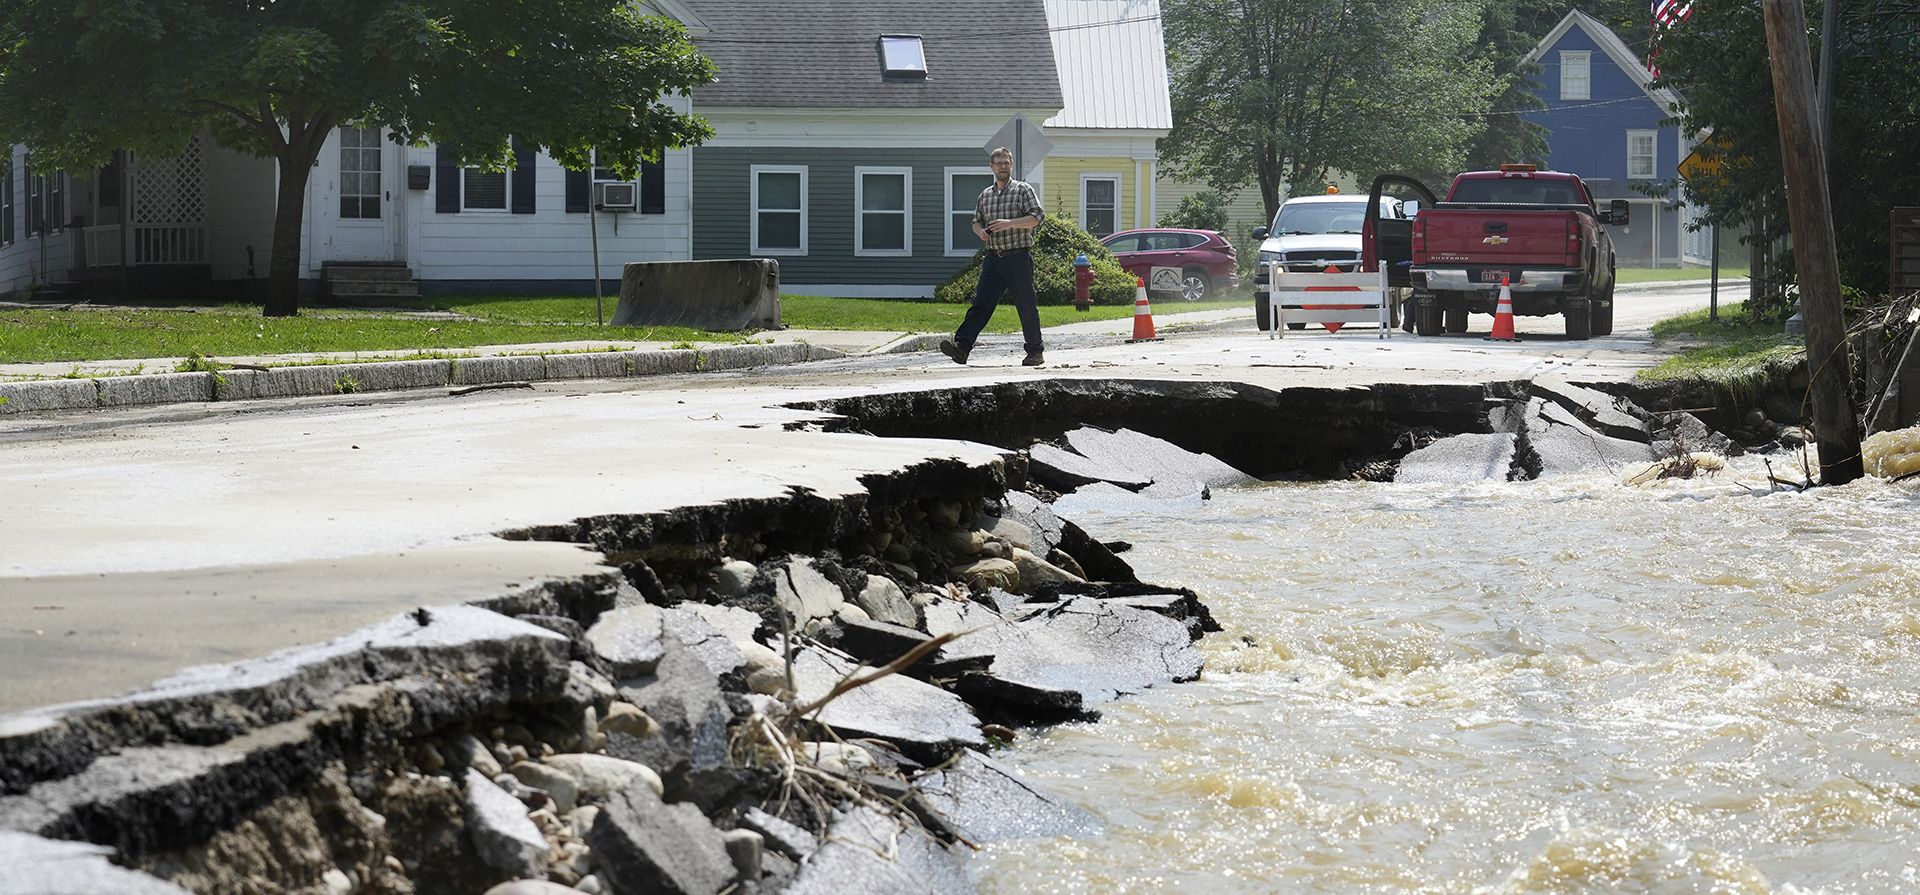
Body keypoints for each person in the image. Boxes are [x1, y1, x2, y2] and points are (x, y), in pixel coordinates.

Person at [940, 146, 1046, 366]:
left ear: (1011, 165)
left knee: (1026, 305)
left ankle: (1035, 352)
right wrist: (979, 231)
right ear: (992, 166)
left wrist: (1010, 224)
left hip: (1018, 256)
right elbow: (976, 221)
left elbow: (1037, 216)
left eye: (1006, 163)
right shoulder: (985, 195)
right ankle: (962, 347)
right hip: (993, 259)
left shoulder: (1022, 190)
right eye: (999, 163)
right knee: (981, 303)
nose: (1003, 166)